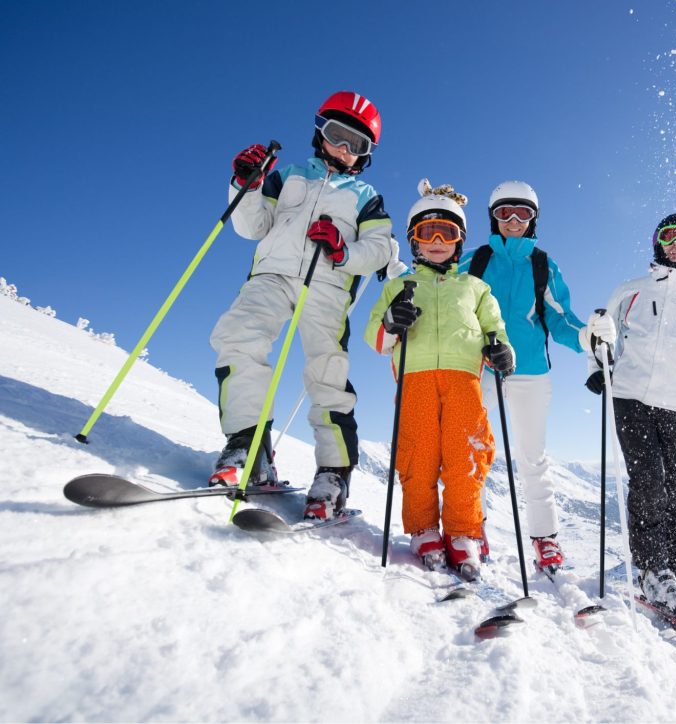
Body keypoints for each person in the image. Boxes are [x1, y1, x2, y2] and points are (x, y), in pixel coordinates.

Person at [208, 90, 393, 522]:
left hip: (328, 286)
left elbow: (380, 248)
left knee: (326, 372)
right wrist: (246, 184)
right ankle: (248, 447)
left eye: (357, 144)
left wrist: (344, 251)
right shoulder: (287, 175)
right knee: (239, 338)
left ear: (366, 155)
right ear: (319, 133)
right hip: (272, 275)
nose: (344, 150)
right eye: (337, 135)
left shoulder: (365, 195)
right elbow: (251, 226)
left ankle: (333, 474)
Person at [364, 181, 514, 580]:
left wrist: (500, 348)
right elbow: (376, 339)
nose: (435, 241)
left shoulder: (476, 288)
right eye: (425, 233)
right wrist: (392, 323)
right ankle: (424, 529)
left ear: (459, 241)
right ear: (413, 240)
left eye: (445, 233)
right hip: (414, 380)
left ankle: (464, 533)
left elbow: (494, 329)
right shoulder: (397, 287)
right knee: (418, 454)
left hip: (464, 380)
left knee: (466, 455)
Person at [582, 212, 676, 627]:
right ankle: (652, 571)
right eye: (668, 236)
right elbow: (600, 332)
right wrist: (597, 365)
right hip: (630, 396)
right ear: (657, 242)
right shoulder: (630, 291)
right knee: (648, 480)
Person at [459, 181, 586, 574]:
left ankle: (545, 539)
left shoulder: (543, 264)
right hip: (482, 366)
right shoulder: (475, 259)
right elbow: (448, 298)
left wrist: (588, 338)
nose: (513, 221)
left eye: (523, 213)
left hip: (530, 370)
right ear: (493, 219)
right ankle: (469, 526)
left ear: (533, 220)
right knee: (471, 449)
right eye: (504, 213)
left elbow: (559, 319)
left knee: (533, 456)